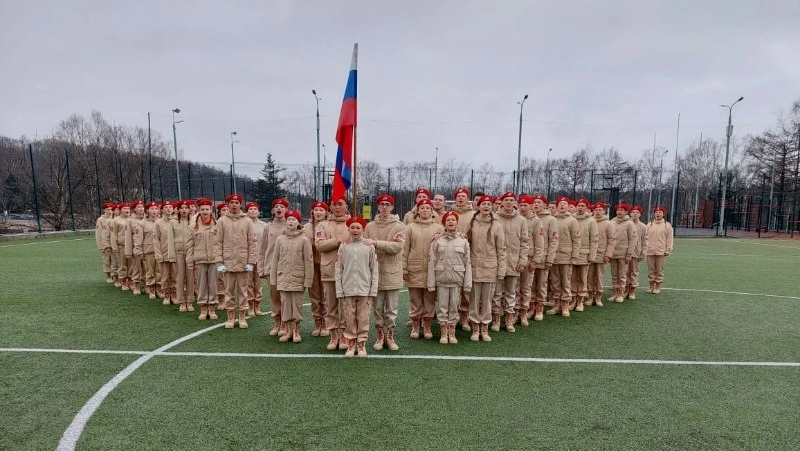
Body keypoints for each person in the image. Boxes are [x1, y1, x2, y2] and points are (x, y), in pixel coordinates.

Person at [364, 194, 405, 351]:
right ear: (378, 206)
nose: (384, 207)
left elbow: (396, 247)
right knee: (378, 308)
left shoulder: (400, 226)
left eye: (388, 204)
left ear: (392, 207)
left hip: (392, 271)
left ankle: (390, 335)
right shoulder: (369, 227)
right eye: (382, 204)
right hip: (374, 272)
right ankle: (380, 335)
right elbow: (364, 245)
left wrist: (376, 243)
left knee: (391, 308)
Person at [335, 216, 379, 358]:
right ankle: (351, 342)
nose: (355, 230)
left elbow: (374, 269)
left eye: (358, 227)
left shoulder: (369, 247)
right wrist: (339, 290)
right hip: (347, 289)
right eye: (352, 227)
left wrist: (373, 289)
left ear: (363, 229)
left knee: (363, 318)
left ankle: (361, 343)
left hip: (364, 289)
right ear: (348, 229)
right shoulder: (344, 246)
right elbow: (338, 269)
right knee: (349, 317)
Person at [428, 211, 472, 344]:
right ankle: (443, 332)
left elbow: (467, 262)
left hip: (456, 280)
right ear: (444, 224)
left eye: (453, 220)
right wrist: (431, 282)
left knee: (454, 306)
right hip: (441, 279)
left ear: (457, 223)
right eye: (448, 220)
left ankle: (451, 332)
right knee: (442, 307)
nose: (451, 222)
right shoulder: (437, 241)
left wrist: (467, 283)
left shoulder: (463, 241)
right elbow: (431, 262)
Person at [402, 198, 444, 339]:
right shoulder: (410, 228)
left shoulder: (439, 228)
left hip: (432, 270)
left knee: (429, 299)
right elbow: (405, 249)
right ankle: (415, 325)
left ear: (432, 211)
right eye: (422, 208)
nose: (425, 210)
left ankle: (427, 326)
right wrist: (404, 268)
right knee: (415, 299)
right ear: (417, 210)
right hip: (414, 268)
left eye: (427, 208)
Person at [466, 195, 506, 342]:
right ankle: (475, 327)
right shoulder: (472, 223)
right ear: (478, 206)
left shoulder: (497, 225)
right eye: (484, 204)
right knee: (474, 299)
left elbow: (502, 250)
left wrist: (501, 270)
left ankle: (485, 327)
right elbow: (466, 244)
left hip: (490, 267)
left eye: (489, 204)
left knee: (487, 299)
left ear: (493, 207)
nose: (486, 207)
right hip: (475, 267)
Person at [216, 193, 258, 329]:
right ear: (227, 205)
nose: (234, 205)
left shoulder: (247, 221)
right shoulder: (222, 221)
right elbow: (217, 243)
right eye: (231, 202)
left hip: (242, 262)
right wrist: (219, 262)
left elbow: (252, 242)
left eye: (236, 202)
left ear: (240, 204)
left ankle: (242, 317)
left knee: (243, 291)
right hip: (227, 262)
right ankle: (230, 317)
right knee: (228, 291)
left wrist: (251, 261)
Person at [271, 209, 313, 343]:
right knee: (285, 305)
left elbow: (308, 261)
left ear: (299, 223)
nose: (290, 222)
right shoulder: (280, 239)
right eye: (288, 219)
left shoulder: (304, 240)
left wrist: (308, 280)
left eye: (293, 219)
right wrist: (274, 278)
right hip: (283, 277)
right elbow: (275, 259)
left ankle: (296, 331)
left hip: (297, 278)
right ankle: (288, 330)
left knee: (296, 305)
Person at [315, 195, 352, 350]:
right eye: (334, 204)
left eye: (340, 204)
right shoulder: (323, 225)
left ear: (346, 206)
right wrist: (337, 241)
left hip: (349, 270)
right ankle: (333, 335)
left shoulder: (353, 223)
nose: (337, 207)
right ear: (330, 207)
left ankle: (344, 334)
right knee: (330, 305)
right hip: (329, 270)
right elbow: (320, 245)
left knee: (346, 305)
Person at [492, 192, 530, 332]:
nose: (508, 202)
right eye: (506, 200)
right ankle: (496, 319)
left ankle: (509, 320)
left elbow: (525, 242)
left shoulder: (521, 220)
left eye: (511, 200)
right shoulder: (494, 218)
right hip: (497, 262)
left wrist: (522, 260)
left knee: (511, 292)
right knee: (496, 293)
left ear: (515, 203)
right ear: (501, 202)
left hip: (514, 261)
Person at [186, 198, 220, 320]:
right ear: (199, 210)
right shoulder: (193, 226)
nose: (205, 211)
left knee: (213, 284)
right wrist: (190, 261)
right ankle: (203, 307)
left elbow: (221, 243)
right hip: (199, 259)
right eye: (202, 209)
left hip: (214, 259)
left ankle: (212, 307)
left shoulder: (217, 225)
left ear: (211, 210)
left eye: (207, 209)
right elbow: (189, 245)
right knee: (201, 285)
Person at [547, 197, 580, 317]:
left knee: (566, 281)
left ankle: (565, 305)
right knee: (555, 281)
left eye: (564, 204)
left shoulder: (572, 220)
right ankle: (556, 304)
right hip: (554, 255)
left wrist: (574, 256)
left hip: (567, 255)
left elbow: (576, 239)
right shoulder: (553, 219)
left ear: (568, 206)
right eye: (560, 204)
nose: (562, 206)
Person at [514, 195, 544, 326]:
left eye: (525, 205)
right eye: (520, 205)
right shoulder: (515, 219)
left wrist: (536, 260)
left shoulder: (536, 221)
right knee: (515, 287)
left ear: (531, 206)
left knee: (526, 287)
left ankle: (524, 312)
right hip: (515, 258)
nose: (522, 208)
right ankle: (514, 311)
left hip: (529, 258)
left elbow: (539, 242)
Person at [259, 198, 289, 330]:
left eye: (282, 206)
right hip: (271, 267)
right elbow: (263, 248)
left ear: (286, 210)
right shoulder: (268, 227)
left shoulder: (291, 224)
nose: (279, 209)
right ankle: (277, 322)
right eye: (276, 206)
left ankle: (286, 323)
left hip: (287, 267)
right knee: (275, 297)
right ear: (273, 210)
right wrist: (261, 267)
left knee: (286, 297)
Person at [302, 201, 329, 337]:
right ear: (312, 212)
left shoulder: (328, 225)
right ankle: (317, 322)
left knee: (326, 295)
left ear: (325, 212)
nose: (318, 212)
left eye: (321, 210)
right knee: (314, 296)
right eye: (316, 210)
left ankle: (326, 323)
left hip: (326, 263)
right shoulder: (306, 227)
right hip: (311, 265)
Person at [530, 195, 558, 321]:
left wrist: (550, 258)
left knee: (541, 284)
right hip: (530, 257)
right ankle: (530, 307)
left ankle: (539, 308)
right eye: (534, 202)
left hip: (543, 257)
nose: (536, 205)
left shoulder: (550, 220)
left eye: (539, 202)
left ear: (544, 205)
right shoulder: (529, 218)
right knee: (529, 285)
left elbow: (553, 240)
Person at [451, 188, 475, 330]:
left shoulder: (473, 215)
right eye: (458, 196)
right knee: (453, 289)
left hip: (467, 255)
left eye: (463, 196)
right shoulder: (450, 214)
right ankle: (453, 316)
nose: (461, 198)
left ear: (467, 199)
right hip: (452, 257)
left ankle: (464, 317)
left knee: (466, 289)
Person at [571, 199, 598, 311]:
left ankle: (580, 300)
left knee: (583, 278)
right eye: (579, 205)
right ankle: (572, 299)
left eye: (583, 206)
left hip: (584, 253)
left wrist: (592, 256)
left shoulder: (591, 221)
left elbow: (594, 240)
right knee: (572, 278)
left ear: (587, 208)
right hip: (572, 253)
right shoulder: (572, 220)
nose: (580, 208)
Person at [587, 202, 616, 307]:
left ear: (604, 211)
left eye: (600, 210)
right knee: (589, 277)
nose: (598, 212)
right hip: (590, 254)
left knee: (599, 276)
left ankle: (598, 297)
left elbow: (612, 240)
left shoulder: (608, 224)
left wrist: (608, 254)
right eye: (596, 210)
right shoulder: (589, 222)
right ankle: (590, 296)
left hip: (602, 254)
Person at [609, 203, 637, 303]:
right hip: (613, 253)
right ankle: (615, 293)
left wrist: (629, 254)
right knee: (614, 275)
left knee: (622, 275)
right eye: (618, 210)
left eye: (622, 210)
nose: (619, 212)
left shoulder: (629, 223)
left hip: (623, 253)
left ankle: (621, 293)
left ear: (626, 212)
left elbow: (633, 239)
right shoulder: (612, 222)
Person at [244, 202, 267, 318]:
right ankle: (250, 305)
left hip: (259, 257)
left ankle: (257, 305)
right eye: (250, 209)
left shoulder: (264, 225)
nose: (253, 211)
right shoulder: (244, 223)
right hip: (247, 258)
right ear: (246, 211)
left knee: (258, 283)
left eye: (255, 209)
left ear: (258, 211)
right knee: (248, 283)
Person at [154, 200, 178, 306]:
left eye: (170, 207)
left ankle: (174, 294)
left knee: (175, 275)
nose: (168, 209)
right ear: (162, 210)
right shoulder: (158, 223)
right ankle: (166, 295)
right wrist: (158, 254)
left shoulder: (176, 221)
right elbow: (156, 239)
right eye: (166, 207)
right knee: (164, 276)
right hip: (164, 253)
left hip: (175, 253)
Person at [646, 206, 673, 294]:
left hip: (661, 251)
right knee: (651, 269)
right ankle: (651, 286)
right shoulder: (649, 224)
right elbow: (645, 238)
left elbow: (669, 238)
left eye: (660, 212)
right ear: (654, 214)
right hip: (650, 251)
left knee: (659, 269)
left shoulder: (667, 225)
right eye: (656, 212)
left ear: (663, 214)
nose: (658, 214)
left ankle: (657, 286)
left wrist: (668, 249)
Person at [174, 200, 195, 312]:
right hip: (178, 252)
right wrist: (172, 256)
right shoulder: (173, 222)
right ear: (178, 210)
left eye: (186, 207)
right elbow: (170, 240)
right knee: (180, 277)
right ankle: (182, 301)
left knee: (191, 277)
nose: (184, 210)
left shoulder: (194, 221)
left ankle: (190, 300)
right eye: (181, 208)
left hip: (191, 252)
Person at [139, 201, 160, 299]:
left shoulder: (161, 222)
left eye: (156, 209)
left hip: (160, 251)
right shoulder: (142, 223)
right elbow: (138, 239)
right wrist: (139, 251)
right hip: (148, 251)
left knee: (159, 271)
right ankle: (151, 289)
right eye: (152, 209)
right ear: (147, 210)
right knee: (150, 271)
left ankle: (159, 289)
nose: (154, 211)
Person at [110, 202, 132, 291]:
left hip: (131, 245)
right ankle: (123, 281)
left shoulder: (132, 219)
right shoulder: (115, 220)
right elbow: (113, 234)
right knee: (122, 264)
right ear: (120, 210)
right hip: (121, 246)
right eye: (124, 209)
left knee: (131, 264)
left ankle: (131, 281)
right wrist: (114, 247)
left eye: (128, 208)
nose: (127, 210)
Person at [626, 205, 647, 300]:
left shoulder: (643, 226)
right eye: (633, 212)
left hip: (636, 252)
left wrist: (643, 252)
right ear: (630, 214)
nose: (635, 214)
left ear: (640, 214)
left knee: (634, 272)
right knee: (625, 272)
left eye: (637, 212)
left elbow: (644, 240)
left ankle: (632, 290)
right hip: (625, 251)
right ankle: (625, 289)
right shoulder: (626, 224)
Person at [95, 202, 115, 283]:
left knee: (114, 260)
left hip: (114, 242)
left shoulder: (114, 218)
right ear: (104, 210)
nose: (110, 211)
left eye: (111, 209)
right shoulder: (101, 220)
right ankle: (108, 276)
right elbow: (98, 233)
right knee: (107, 260)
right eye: (108, 209)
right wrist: (101, 246)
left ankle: (115, 275)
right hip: (105, 243)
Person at [215, 202, 229, 309]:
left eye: (227, 210)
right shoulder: (215, 223)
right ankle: (221, 299)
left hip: (230, 254)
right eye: (223, 210)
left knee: (229, 279)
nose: (226, 212)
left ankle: (230, 299)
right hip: (218, 253)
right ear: (219, 212)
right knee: (220, 278)